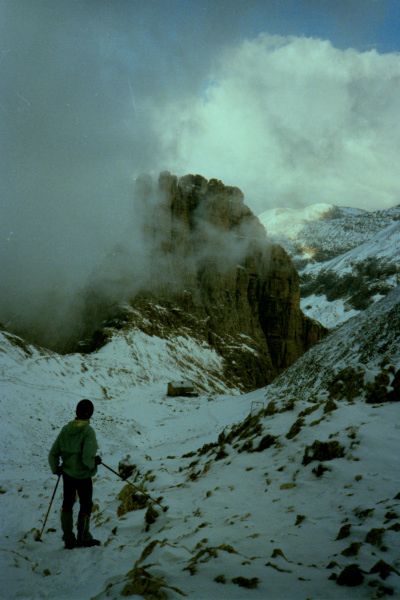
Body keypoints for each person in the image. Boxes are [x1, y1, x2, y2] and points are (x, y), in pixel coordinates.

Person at [48, 399, 102, 549]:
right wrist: (94, 463)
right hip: (83, 477)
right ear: (90, 413)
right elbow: (86, 458)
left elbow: (53, 454)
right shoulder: (88, 432)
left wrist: (56, 469)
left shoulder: (66, 430)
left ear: (76, 412)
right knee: (85, 505)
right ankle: (83, 537)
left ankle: (68, 538)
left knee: (67, 504)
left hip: (67, 475)